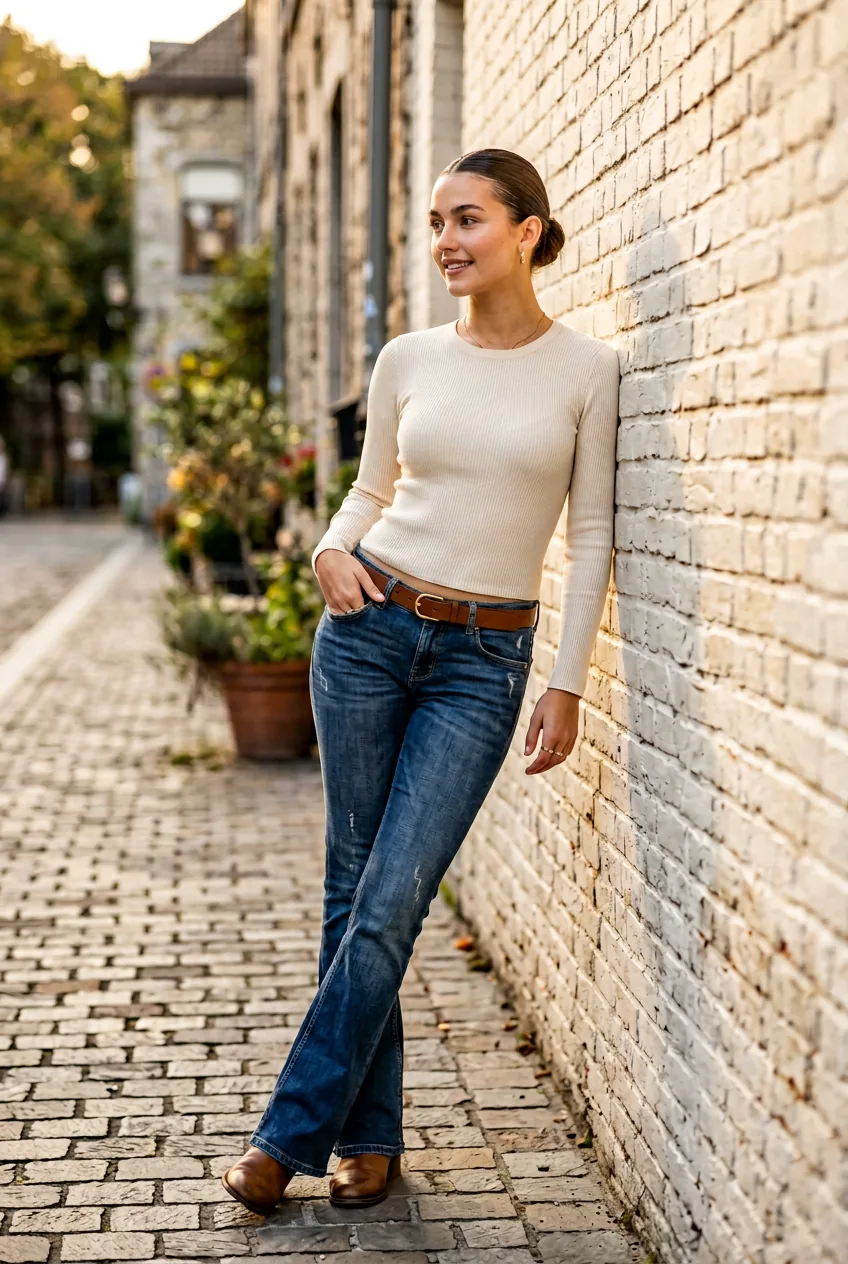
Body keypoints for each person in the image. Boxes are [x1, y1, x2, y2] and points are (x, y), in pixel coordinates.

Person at [222, 147, 620, 1215]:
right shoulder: (407, 357)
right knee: (356, 893)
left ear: (527, 230)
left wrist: (566, 680)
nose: (445, 240)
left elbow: (588, 541)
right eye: (436, 223)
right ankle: (369, 1137)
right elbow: (367, 489)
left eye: (468, 219)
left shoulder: (587, 373)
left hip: (483, 662)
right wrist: (326, 552)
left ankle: (285, 1135)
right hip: (366, 629)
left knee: (393, 893)